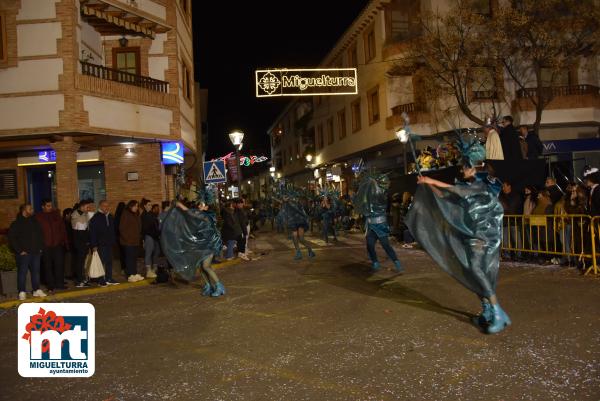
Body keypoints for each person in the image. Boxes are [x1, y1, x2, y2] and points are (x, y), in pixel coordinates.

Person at [406, 134, 511, 334]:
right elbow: (449, 196)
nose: (462, 170)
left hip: (482, 236)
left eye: (465, 166)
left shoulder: (479, 185)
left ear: (473, 167)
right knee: (474, 272)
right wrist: (429, 186)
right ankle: (489, 310)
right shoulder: (468, 185)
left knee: (477, 270)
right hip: (472, 234)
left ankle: (498, 311)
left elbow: (457, 191)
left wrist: (431, 180)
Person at [164, 199, 226, 297]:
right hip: (202, 245)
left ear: (206, 208)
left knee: (206, 266)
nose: (199, 206)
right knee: (200, 267)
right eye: (199, 205)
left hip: (209, 245)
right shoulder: (201, 217)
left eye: (201, 205)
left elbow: (192, 214)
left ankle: (219, 286)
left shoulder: (206, 216)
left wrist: (181, 206)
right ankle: (208, 285)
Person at [353, 173, 404, 272]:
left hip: (380, 225)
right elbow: (360, 203)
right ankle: (375, 262)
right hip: (371, 226)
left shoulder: (382, 195)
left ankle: (396, 262)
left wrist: (372, 183)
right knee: (370, 245)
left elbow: (376, 199)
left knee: (386, 245)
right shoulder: (369, 196)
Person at [8, 204, 46, 300]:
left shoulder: (35, 222)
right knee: (22, 273)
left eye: (32, 208)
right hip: (24, 254)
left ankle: (36, 290)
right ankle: (22, 291)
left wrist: (40, 247)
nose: (32, 210)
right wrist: (20, 251)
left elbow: (41, 235)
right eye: (30, 209)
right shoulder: (16, 223)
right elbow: (12, 239)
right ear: (24, 210)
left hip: (36, 252)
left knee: (36, 272)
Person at [35, 199, 67, 293]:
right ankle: (50, 286)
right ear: (43, 207)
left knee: (59, 265)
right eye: (48, 206)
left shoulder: (56, 216)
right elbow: (37, 232)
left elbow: (62, 229)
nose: (50, 207)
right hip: (45, 246)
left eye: (51, 205)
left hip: (57, 245)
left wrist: (64, 242)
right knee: (47, 266)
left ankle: (60, 284)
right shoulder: (38, 217)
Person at [89, 200, 119, 286]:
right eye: (104, 206)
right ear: (100, 207)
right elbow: (92, 232)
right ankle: (101, 279)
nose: (106, 207)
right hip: (100, 244)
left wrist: (113, 240)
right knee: (101, 262)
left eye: (107, 206)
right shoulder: (96, 218)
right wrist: (94, 245)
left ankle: (109, 278)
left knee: (109, 261)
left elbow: (112, 230)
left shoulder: (110, 216)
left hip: (109, 243)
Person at [280, 188, 315, 260]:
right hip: (293, 222)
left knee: (301, 239)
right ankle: (298, 253)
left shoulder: (298, 203)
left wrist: (288, 201)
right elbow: (284, 211)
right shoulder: (286, 203)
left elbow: (298, 208)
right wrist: (284, 202)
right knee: (294, 237)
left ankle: (310, 250)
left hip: (300, 221)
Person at [71, 199, 93, 288]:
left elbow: (87, 229)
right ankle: (78, 280)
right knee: (79, 262)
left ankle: (83, 279)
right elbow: (79, 228)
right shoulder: (75, 215)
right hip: (79, 242)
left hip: (85, 242)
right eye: (87, 207)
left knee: (83, 262)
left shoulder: (86, 214)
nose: (89, 209)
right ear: (82, 206)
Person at [119, 200, 144, 282]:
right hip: (128, 242)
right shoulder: (125, 214)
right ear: (130, 206)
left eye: (137, 206)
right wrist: (127, 238)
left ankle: (134, 273)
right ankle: (130, 275)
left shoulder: (136, 214)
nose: (137, 208)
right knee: (129, 258)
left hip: (136, 241)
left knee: (134, 258)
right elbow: (122, 228)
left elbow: (139, 227)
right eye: (135, 206)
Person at [499, 181, 523, 261]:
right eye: (502, 187)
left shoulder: (516, 196)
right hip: (504, 221)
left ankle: (518, 255)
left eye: (504, 186)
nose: (503, 188)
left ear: (509, 186)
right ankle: (507, 255)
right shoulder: (501, 196)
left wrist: (508, 212)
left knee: (516, 239)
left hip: (514, 220)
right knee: (505, 239)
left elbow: (515, 207)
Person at [141, 198, 160, 278]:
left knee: (157, 251)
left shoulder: (152, 214)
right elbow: (144, 228)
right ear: (145, 206)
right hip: (148, 236)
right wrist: (143, 239)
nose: (150, 206)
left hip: (155, 236)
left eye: (150, 205)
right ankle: (148, 270)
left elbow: (156, 225)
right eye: (148, 205)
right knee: (148, 253)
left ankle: (154, 268)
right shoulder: (143, 215)